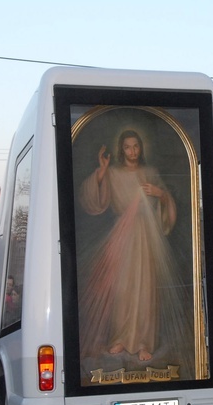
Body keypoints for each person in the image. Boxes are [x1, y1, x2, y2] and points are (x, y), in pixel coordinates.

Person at [78, 129, 180, 362]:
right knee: (121, 288)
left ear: (141, 148)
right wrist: (102, 172)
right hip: (122, 236)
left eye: (136, 146)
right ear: (121, 150)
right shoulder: (113, 173)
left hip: (147, 237)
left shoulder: (150, 172)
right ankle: (120, 338)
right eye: (127, 147)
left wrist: (160, 194)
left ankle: (144, 342)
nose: (132, 151)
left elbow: (166, 203)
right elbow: (94, 201)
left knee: (144, 289)